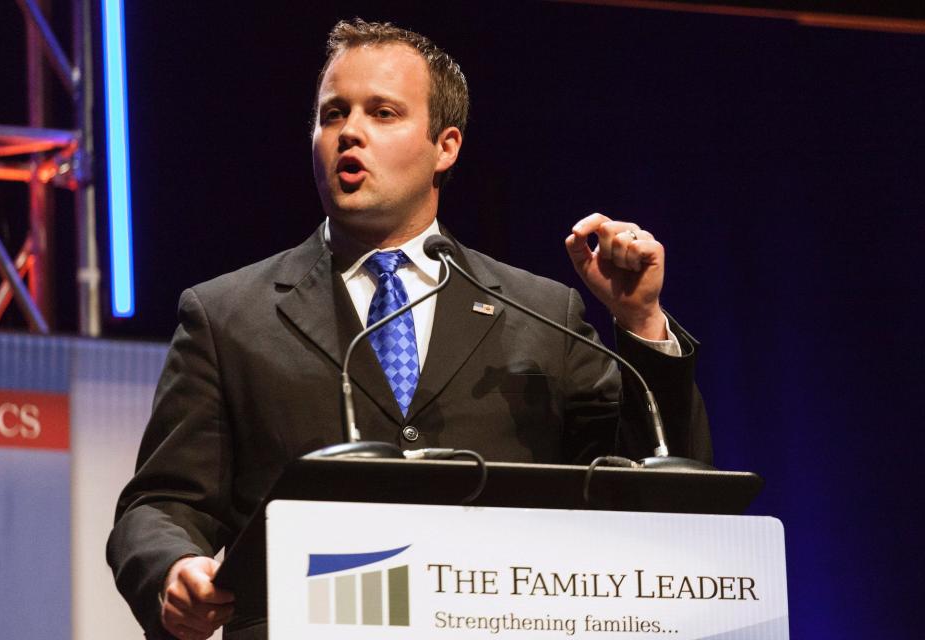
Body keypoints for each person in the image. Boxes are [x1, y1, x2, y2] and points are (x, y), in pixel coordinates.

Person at [107, 18, 711, 640]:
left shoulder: (543, 313)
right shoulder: (228, 314)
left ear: (445, 146)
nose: (350, 133)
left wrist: (639, 321)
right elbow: (160, 503)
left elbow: (649, 487)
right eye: (333, 114)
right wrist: (174, 566)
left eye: (384, 113)